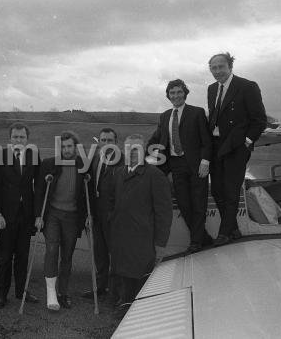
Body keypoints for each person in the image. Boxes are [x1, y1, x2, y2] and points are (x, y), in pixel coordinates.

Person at [207, 53, 267, 245]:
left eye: (221, 67)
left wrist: (247, 142)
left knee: (231, 191)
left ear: (230, 66)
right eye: (213, 68)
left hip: (236, 146)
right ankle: (233, 229)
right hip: (217, 146)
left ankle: (224, 234)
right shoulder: (211, 89)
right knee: (217, 190)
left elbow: (259, 120)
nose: (217, 72)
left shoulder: (247, 86)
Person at [108, 134, 172, 311]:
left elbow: (164, 213)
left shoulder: (155, 176)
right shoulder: (119, 173)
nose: (132, 152)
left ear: (144, 151)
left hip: (143, 239)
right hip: (121, 235)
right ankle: (123, 301)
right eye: (129, 149)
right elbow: (113, 202)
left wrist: (160, 244)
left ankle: (135, 312)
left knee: (139, 276)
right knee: (122, 272)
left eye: (136, 149)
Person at [148, 79, 212, 253]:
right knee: (184, 205)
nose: (175, 96)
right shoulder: (165, 116)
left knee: (198, 204)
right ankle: (204, 238)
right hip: (175, 165)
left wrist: (205, 162)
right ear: (168, 96)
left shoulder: (197, 113)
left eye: (179, 92)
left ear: (185, 93)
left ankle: (196, 242)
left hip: (196, 165)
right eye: (172, 93)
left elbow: (207, 141)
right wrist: (141, 154)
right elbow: (156, 139)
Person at [34, 131, 91, 311]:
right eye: (63, 147)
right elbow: (39, 192)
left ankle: (63, 293)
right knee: (51, 249)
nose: (66, 150)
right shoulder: (49, 164)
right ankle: (51, 293)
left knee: (67, 255)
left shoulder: (83, 165)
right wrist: (38, 216)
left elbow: (89, 195)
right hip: (53, 214)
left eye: (69, 146)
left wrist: (90, 215)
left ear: (75, 147)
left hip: (73, 216)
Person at [0, 123, 41, 309]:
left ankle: (21, 291)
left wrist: (37, 214)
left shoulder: (33, 156)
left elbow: (39, 185)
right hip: (6, 215)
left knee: (23, 255)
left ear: (27, 140)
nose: (19, 140)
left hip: (26, 216)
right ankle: (1, 294)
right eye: (15, 137)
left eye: (22, 137)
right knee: (5, 257)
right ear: (9, 138)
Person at [82, 127, 124, 299]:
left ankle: (116, 292)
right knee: (99, 252)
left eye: (110, 140)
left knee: (115, 254)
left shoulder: (122, 161)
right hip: (96, 214)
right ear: (99, 142)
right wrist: (89, 213)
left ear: (116, 142)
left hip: (113, 215)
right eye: (103, 140)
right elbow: (91, 188)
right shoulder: (95, 158)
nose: (106, 143)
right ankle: (100, 287)